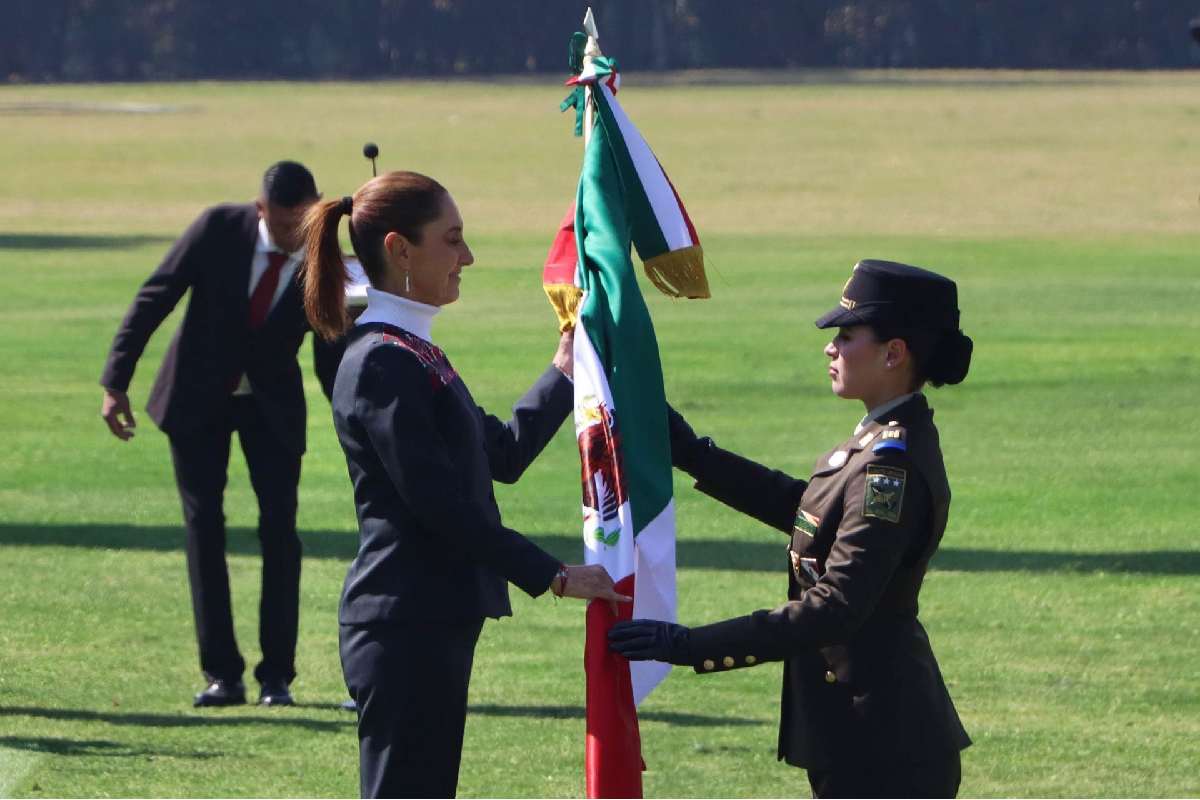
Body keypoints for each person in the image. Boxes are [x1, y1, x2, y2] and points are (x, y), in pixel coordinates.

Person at [301, 170, 629, 799]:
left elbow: (501, 454)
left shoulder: (413, 352)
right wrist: (552, 574)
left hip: (433, 620)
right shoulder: (381, 362)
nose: (467, 257)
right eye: (451, 240)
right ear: (400, 249)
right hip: (403, 623)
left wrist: (566, 364)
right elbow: (438, 506)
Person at [609, 260, 974, 798]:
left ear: (893, 353)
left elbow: (835, 606)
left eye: (847, 337)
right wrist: (691, 453)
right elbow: (806, 509)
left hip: (884, 747)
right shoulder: (879, 440)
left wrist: (689, 644)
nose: (831, 348)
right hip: (861, 735)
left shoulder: (887, 467)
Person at [99, 161, 344, 708]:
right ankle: (222, 675)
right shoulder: (216, 229)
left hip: (271, 410)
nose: (291, 236)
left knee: (281, 532)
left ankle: (277, 677)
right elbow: (154, 298)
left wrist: (357, 420)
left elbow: (331, 352)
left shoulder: (326, 257)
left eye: (300, 224)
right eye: (281, 226)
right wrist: (116, 382)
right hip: (195, 400)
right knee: (203, 528)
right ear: (261, 210)